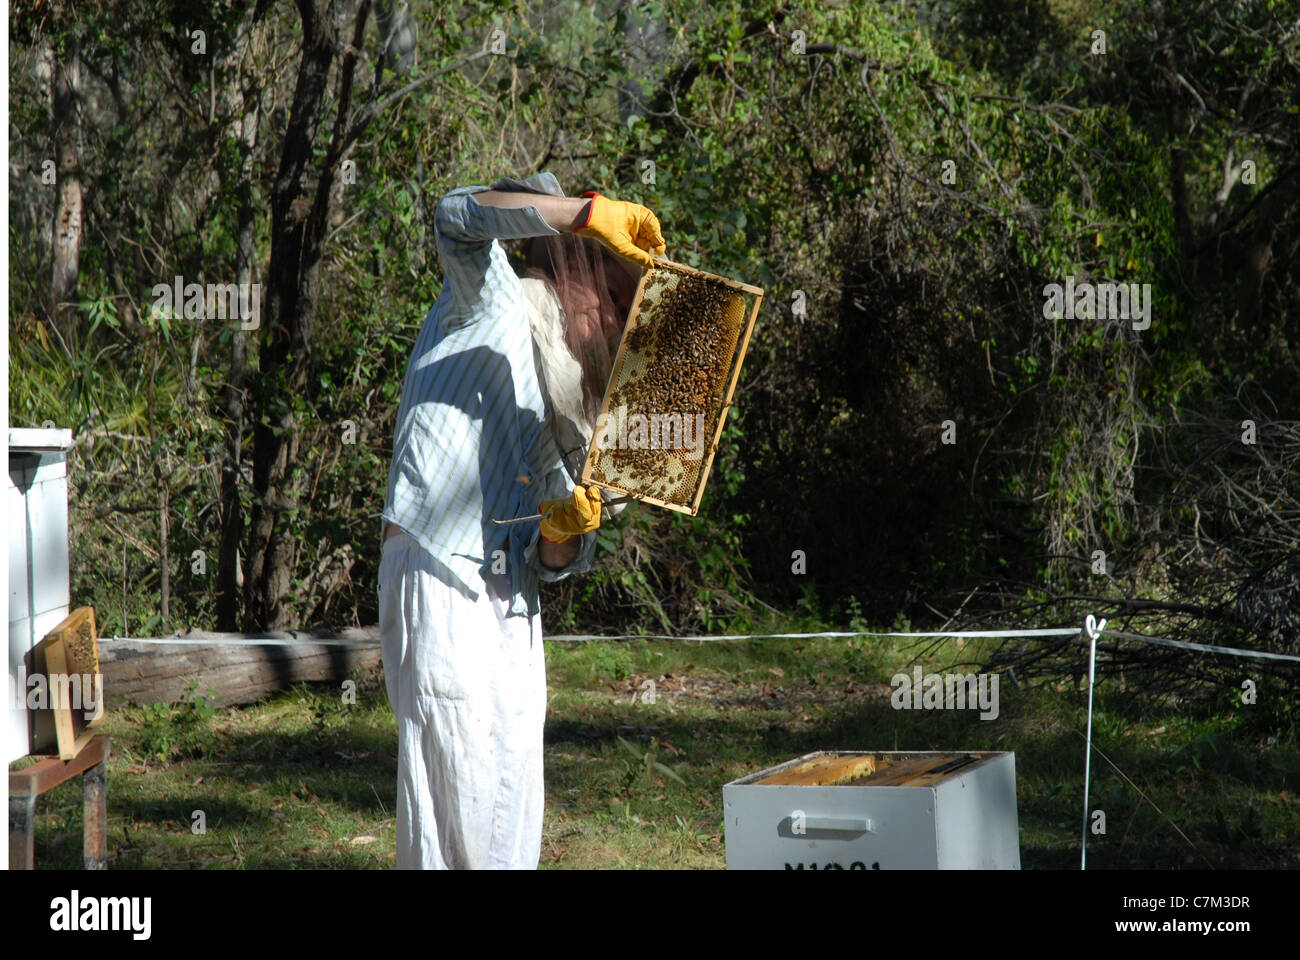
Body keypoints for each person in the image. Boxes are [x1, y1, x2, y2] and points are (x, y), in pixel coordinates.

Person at [378, 172, 665, 869]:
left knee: (507, 819)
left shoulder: (579, 401)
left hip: (512, 606)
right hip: (444, 573)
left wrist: (564, 533)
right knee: (460, 821)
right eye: (617, 296)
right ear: (576, 262)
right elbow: (454, 214)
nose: (617, 322)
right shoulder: (492, 298)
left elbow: (556, 559)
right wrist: (584, 212)